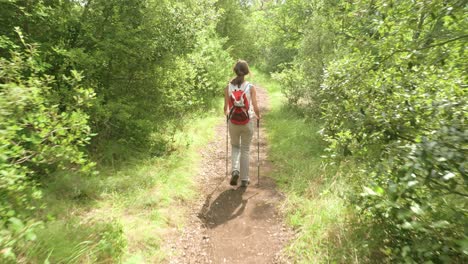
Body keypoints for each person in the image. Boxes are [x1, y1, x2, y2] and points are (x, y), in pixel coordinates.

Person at [224, 60, 260, 187]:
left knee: (235, 147)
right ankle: (244, 179)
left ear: (235, 71)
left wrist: (228, 114)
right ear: (246, 72)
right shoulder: (250, 87)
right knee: (245, 149)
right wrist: (258, 115)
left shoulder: (228, 87)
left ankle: (235, 170)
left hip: (233, 121)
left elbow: (225, 110)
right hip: (247, 121)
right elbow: (255, 107)